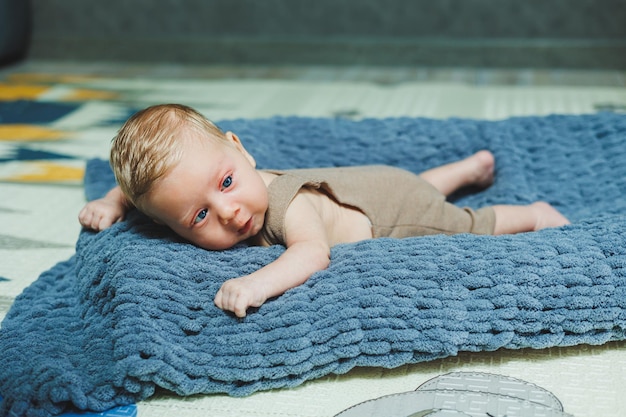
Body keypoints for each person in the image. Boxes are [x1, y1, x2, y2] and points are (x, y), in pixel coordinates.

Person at [79, 104, 570, 318]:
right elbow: (150, 197)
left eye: (227, 183)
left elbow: (313, 254)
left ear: (241, 149)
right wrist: (110, 200)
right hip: (373, 180)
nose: (228, 211)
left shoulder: (287, 207)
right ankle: (467, 169)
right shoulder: (187, 190)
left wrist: (255, 283)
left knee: (466, 223)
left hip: (394, 213)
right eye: (198, 217)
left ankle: (533, 212)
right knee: (413, 183)